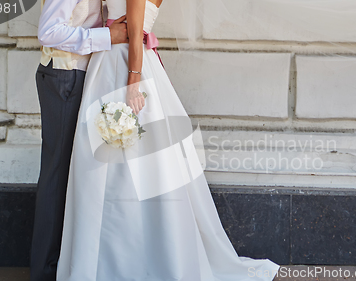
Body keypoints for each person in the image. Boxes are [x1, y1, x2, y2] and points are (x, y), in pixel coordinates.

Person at [56, 0, 281, 280]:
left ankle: (130, 261)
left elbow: (136, 32)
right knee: (109, 164)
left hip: (125, 66)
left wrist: (133, 83)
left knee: (131, 165)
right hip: (109, 62)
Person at [30, 0, 129, 280]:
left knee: (68, 175)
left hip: (80, 75)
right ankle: (43, 273)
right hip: (65, 76)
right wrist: (108, 37)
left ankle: (59, 265)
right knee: (56, 176)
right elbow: (48, 31)